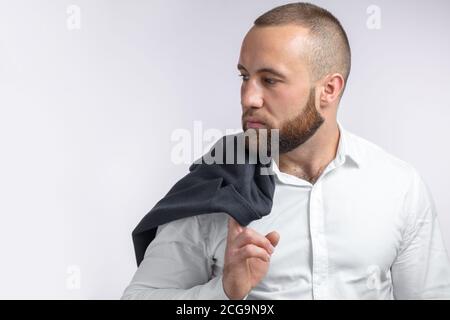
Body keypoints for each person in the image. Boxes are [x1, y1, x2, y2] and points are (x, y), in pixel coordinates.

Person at [122, 2, 450, 299]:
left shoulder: (399, 186)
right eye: (245, 76)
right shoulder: (217, 187)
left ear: (328, 90)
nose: (248, 98)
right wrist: (222, 293)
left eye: (270, 80)